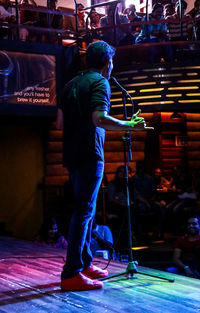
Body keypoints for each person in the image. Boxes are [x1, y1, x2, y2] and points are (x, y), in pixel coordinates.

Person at [56, 40, 153, 291]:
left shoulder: (69, 84)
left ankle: (85, 262)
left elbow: (59, 123)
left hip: (71, 154)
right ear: (107, 63)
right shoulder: (100, 82)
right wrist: (129, 125)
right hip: (90, 154)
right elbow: (99, 119)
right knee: (84, 212)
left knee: (84, 210)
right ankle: (71, 273)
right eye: (113, 62)